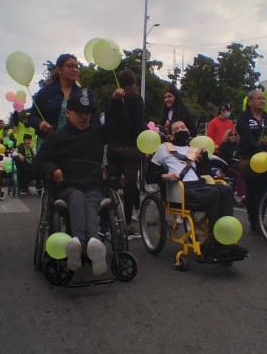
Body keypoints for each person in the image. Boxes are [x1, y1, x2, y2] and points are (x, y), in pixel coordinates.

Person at [34, 89, 113, 276]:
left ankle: (88, 244)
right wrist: (53, 169)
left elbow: (117, 125)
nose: (84, 117)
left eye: (87, 114)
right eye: (79, 113)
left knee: (92, 200)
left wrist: (116, 102)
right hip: (67, 187)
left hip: (92, 185)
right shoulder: (56, 137)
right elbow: (38, 163)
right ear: (68, 113)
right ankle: (84, 241)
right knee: (77, 196)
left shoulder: (96, 134)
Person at [148, 120, 248, 260]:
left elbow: (205, 172)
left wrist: (204, 159)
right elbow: (149, 176)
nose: (180, 130)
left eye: (183, 127)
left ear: (188, 130)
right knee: (214, 193)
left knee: (226, 190)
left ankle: (226, 239)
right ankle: (214, 242)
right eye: (176, 129)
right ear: (171, 135)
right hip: (181, 188)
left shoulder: (194, 149)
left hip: (198, 185)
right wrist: (164, 175)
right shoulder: (164, 149)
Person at [236, 89, 267, 234]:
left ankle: (260, 221)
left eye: (263, 99)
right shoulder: (243, 119)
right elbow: (247, 138)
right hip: (250, 161)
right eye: (259, 98)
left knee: (264, 191)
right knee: (252, 192)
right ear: (250, 101)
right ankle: (253, 220)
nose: (262, 101)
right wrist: (259, 151)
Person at [104, 69, 145, 239]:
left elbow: (107, 122)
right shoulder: (137, 100)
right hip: (131, 148)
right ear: (132, 85)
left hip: (114, 148)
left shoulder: (112, 100)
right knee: (129, 185)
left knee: (111, 185)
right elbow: (137, 123)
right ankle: (127, 224)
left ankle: (108, 222)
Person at [28, 53, 84, 145]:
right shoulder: (46, 92)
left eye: (77, 67)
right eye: (70, 66)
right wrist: (40, 123)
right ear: (59, 69)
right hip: (48, 145)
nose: (75, 70)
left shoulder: (82, 94)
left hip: (73, 146)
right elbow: (32, 116)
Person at [218, 129, 245, 206]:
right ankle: (239, 196)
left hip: (238, 165)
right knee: (239, 173)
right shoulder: (223, 146)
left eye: (235, 135)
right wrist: (232, 160)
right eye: (231, 135)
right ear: (227, 136)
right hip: (227, 166)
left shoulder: (238, 146)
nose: (233, 136)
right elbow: (221, 159)